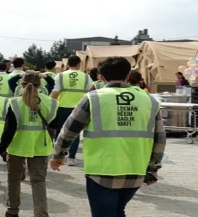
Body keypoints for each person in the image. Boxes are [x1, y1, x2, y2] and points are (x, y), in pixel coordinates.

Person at [51, 57, 166, 216]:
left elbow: (69, 130)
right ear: (127, 75)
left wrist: (58, 155)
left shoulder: (94, 98)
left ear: (101, 77)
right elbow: (160, 139)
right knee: (119, 210)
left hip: (101, 171)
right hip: (136, 169)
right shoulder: (149, 100)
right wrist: (153, 167)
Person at [0, 71, 59, 217]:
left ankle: (12, 210)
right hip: (40, 146)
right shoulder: (51, 102)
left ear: (21, 84)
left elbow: (9, 130)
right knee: (39, 181)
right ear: (40, 85)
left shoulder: (15, 102)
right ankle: (41, 214)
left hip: (18, 146)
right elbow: (55, 125)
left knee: (14, 179)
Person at [50, 55, 94, 166]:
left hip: (61, 107)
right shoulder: (86, 77)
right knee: (75, 133)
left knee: (60, 132)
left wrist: (51, 107)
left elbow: (55, 93)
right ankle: (72, 157)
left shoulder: (59, 76)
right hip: (79, 109)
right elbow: (91, 92)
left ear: (68, 64)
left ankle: (59, 155)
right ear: (79, 64)